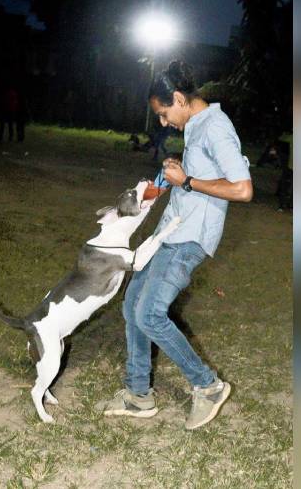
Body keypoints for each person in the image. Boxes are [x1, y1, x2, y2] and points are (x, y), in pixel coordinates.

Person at [96, 60, 253, 430]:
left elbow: (243, 189)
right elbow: (203, 174)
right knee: (133, 304)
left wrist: (187, 181)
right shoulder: (198, 126)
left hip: (189, 239)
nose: (164, 122)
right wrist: (177, 171)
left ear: (179, 99)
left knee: (149, 313)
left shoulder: (216, 128)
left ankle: (208, 386)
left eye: (164, 113)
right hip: (169, 233)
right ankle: (138, 395)